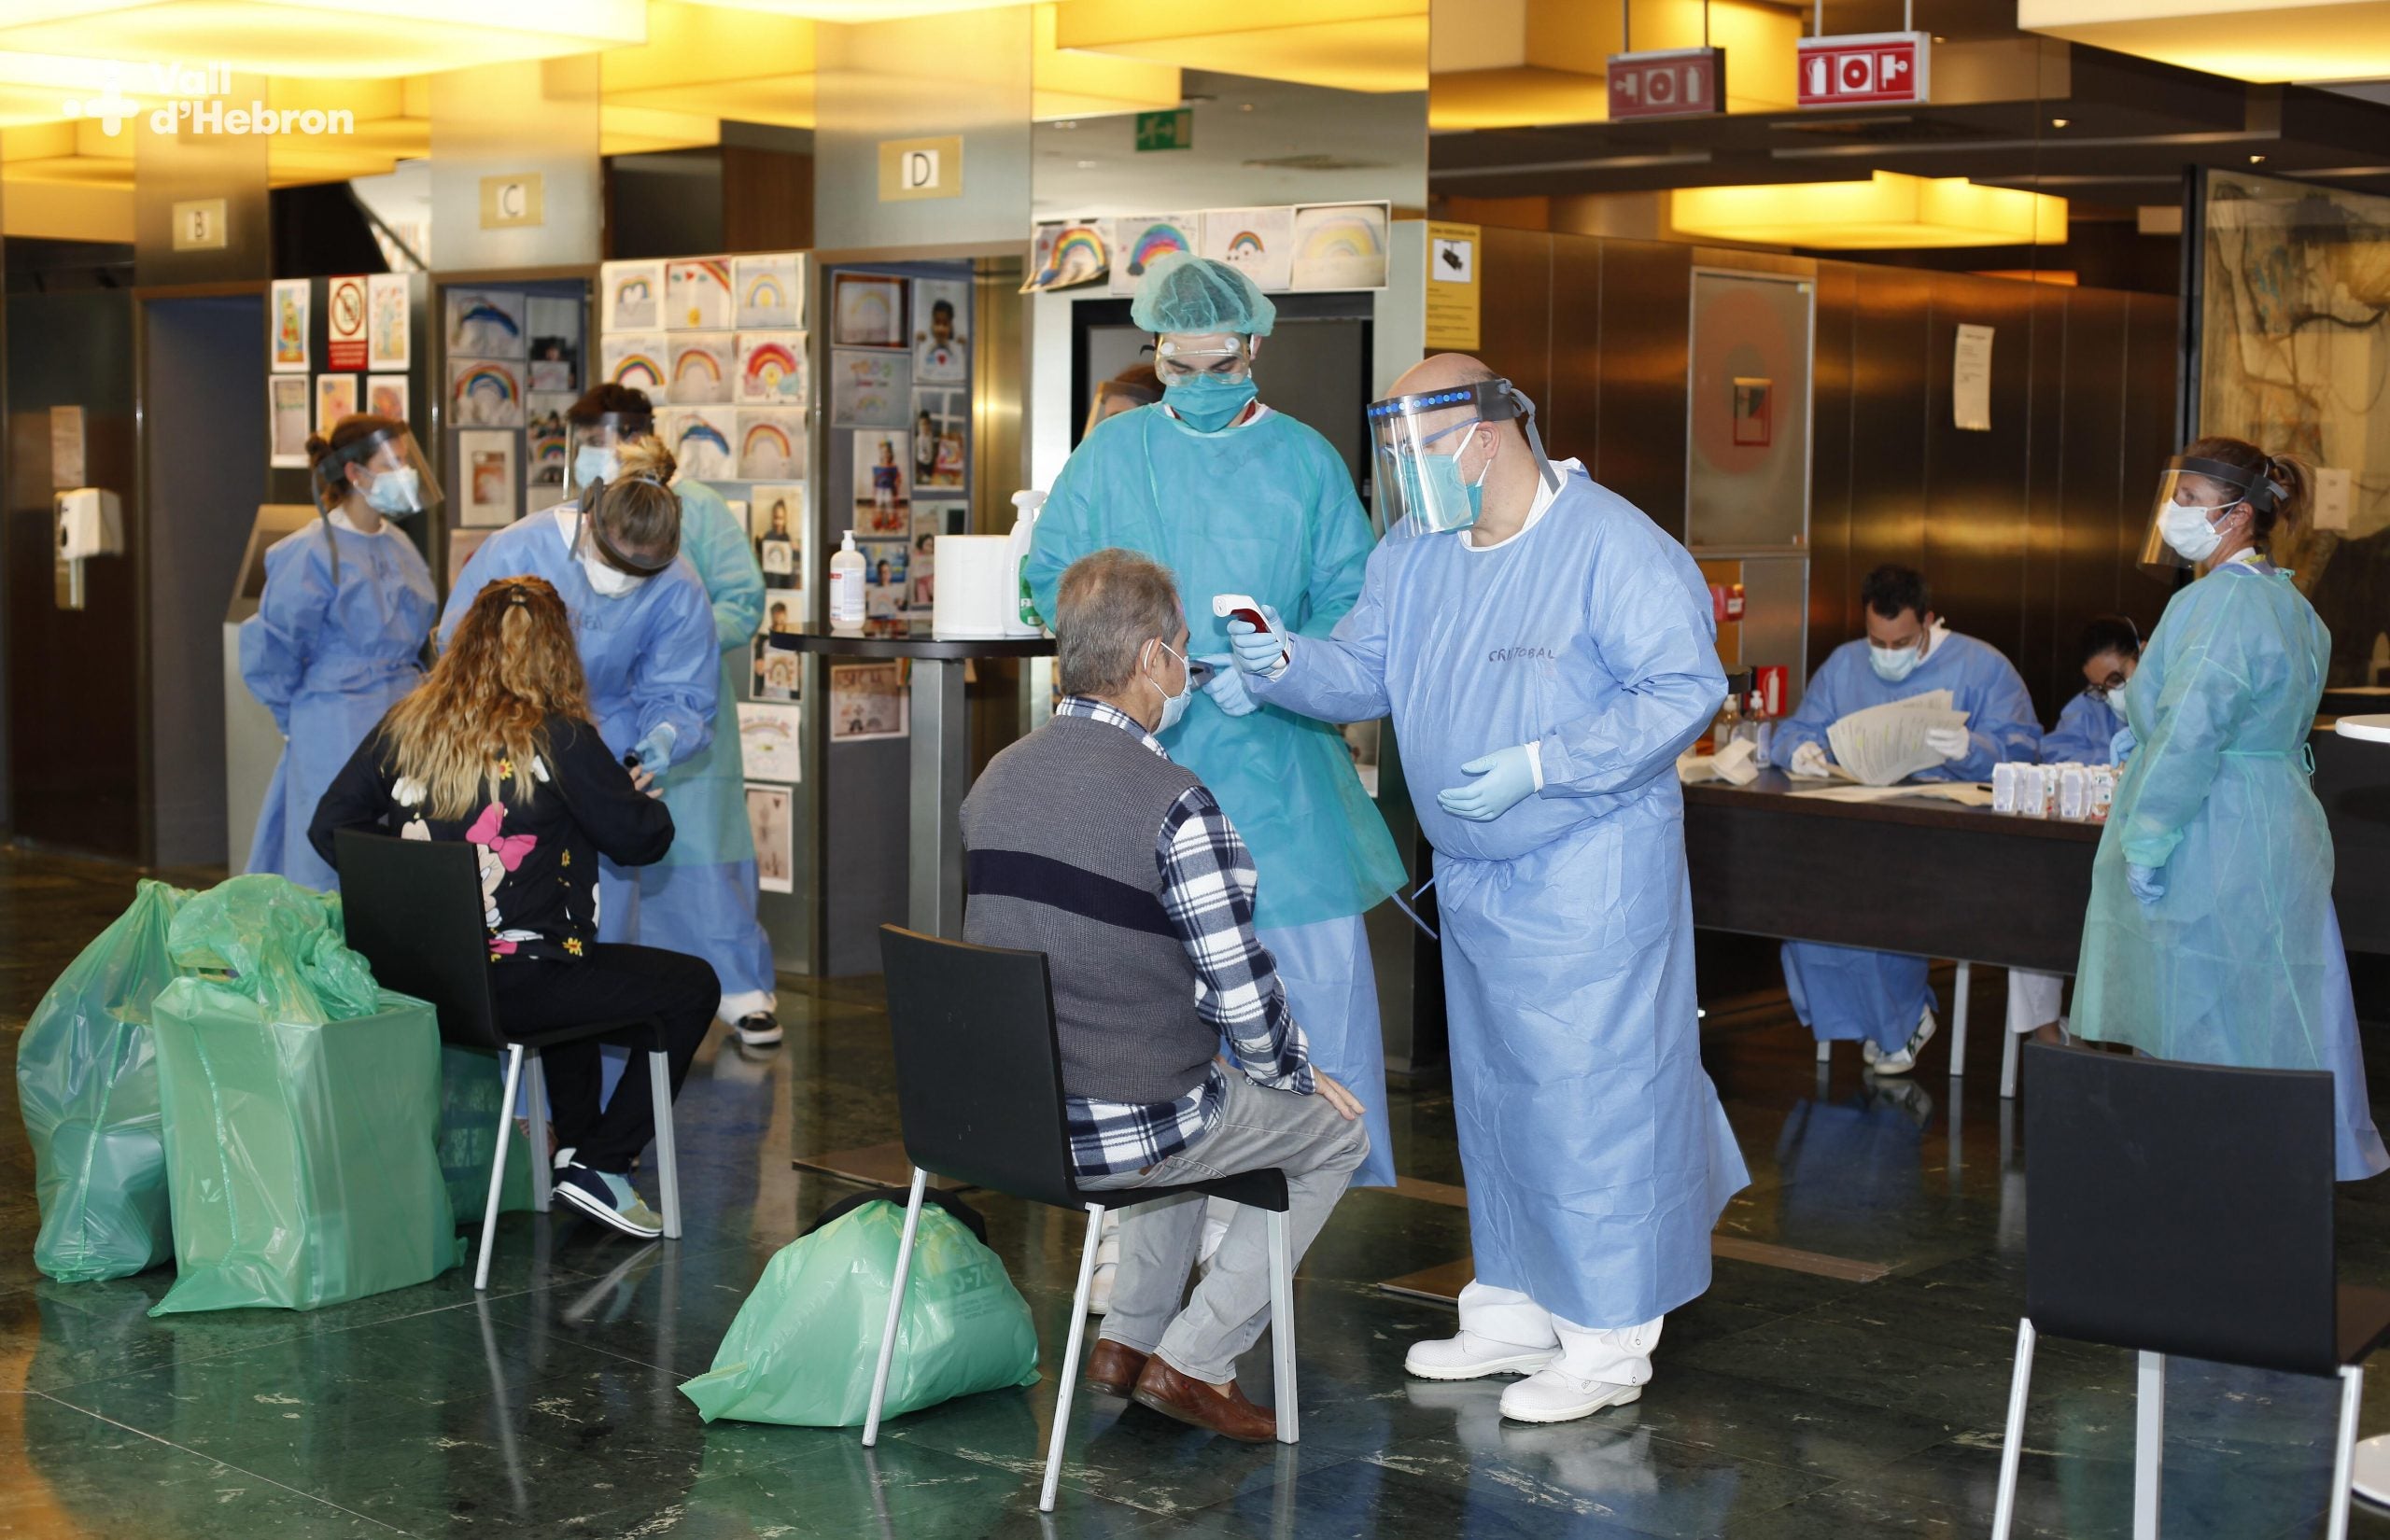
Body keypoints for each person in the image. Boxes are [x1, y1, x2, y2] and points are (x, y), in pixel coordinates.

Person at [1227, 354, 1749, 1424]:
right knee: (1502, 1098)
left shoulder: (1611, 545)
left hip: (1587, 875)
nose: (1410, 476)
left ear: (1488, 433)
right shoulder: (1417, 554)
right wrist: (1280, 660)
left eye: (1422, 452)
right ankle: (1513, 1303)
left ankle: (1607, 1340)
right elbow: (1365, 670)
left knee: (1591, 1099)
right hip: (1476, 879)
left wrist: (1547, 762)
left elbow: (1684, 688)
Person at [1026, 251, 1406, 1314]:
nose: (1197, 380)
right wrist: (1133, 666)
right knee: (1148, 1016)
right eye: (1177, 364)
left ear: (1253, 350)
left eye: (1217, 361)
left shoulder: (1305, 463)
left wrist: (1279, 670)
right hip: (1137, 767)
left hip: (1281, 783)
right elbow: (1045, 578)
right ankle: (1149, 1251)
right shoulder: (1113, 457)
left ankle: (1250, 1253)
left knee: (1306, 1020)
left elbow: (1355, 603)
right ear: (1154, 354)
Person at [962, 550, 1368, 1443]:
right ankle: (1198, 1358)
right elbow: (1243, 998)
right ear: (1152, 659)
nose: (1187, 667)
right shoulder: (1178, 805)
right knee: (1333, 1134)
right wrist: (1300, 1076)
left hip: (1004, 1120)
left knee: (1191, 1095)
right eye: (1184, 648)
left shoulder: (996, 777)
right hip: (1123, 1126)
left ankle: (1127, 1340)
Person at [310, 577, 719, 1236]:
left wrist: (413, 894)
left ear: (464, 643)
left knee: (573, 964)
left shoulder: (404, 727)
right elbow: (642, 839)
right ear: (559, 653)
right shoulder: (559, 740)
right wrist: (633, 793)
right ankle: (605, 1166)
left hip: (414, 983)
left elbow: (329, 827)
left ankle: (575, 1148)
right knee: (689, 987)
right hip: (517, 989)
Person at [2074, 438, 2388, 1180]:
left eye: (2186, 500)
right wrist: (2140, 736)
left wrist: (2148, 838)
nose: (2173, 514)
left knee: (2201, 1007)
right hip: (2272, 819)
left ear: (2238, 514)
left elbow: (2192, 732)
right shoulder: (2287, 601)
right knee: (2273, 998)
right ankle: (2269, 1168)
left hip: (2212, 827)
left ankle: (2212, 1178)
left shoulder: (2219, 605)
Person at [566, 387, 782, 1049]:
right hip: (598, 713)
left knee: (702, 851)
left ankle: (738, 986)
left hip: (683, 708)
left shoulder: (705, 512)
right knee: (611, 864)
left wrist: (669, 640)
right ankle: (628, 990)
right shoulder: (578, 516)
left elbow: (742, 603)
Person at [443, 433, 716, 955]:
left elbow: (682, 686)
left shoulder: (678, 582)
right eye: (614, 563)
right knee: (497, 909)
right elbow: (460, 647)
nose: (619, 583)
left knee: (600, 927)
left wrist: (660, 739)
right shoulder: (520, 547)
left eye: (640, 574)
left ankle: (594, 1032)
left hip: (601, 752)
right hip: (501, 749)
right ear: (589, 519)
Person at [1771, 565, 2042, 1073]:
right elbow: (1796, 727)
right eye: (1878, 641)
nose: (1887, 654)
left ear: (1929, 622)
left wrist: (1972, 748)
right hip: (1858, 827)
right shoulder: (1845, 665)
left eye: (1902, 642)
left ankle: (1902, 1020)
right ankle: (1880, 1022)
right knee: (1806, 906)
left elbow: (2025, 751)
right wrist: (1798, 750)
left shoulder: (1982, 668)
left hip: (1946, 838)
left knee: (1878, 903)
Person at [241, 413, 440, 892]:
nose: (405, 472)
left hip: (404, 714)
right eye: (391, 462)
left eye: (406, 460)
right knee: (332, 850)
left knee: (405, 838)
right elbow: (274, 650)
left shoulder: (400, 546)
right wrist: (294, 718)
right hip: (333, 718)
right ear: (354, 473)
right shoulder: (309, 551)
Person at [2009, 615, 2142, 1046]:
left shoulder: (2175, 701)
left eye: (2118, 679)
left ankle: (2127, 1036)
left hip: (2146, 855)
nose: (2110, 694)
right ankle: (2051, 1035)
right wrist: (2105, 770)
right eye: (2101, 687)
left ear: (2143, 655)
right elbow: (2057, 753)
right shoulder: (2089, 706)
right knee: (2032, 908)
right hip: (2085, 849)